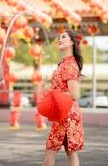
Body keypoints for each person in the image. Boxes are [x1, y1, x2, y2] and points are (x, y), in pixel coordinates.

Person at [42, 29, 84, 166]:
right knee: (70, 153)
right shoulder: (64, 64)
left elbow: (75, 95)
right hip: (65, 114)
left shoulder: (69, 65)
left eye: (63, 37)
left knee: (51, 150)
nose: (59, 39)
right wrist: (50, 88)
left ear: (72, 41)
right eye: (59, 37)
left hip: (67, 115)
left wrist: (51, 91)